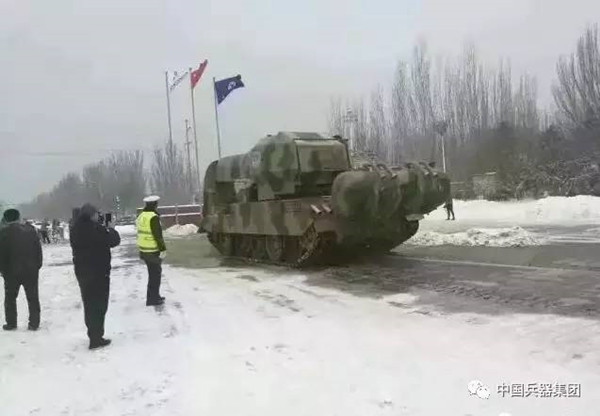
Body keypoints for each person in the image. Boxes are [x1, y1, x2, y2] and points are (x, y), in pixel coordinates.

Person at [70, 203, 121, 349]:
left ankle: (93, 334)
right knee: (99, 305)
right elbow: (113, 241)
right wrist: (111, 228)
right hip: (98, 271)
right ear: (92, 215)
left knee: (89, 303)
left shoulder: (75, 229)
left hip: (82, 271)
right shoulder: (96, 229)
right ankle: (96, 337)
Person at [0, 209, 43, 331]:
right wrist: (37, 265)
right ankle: (34, 323)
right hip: (31, 269)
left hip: (11, 271)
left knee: (10, 298)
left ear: (6, 219)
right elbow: (38, 249)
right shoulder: (31, 230)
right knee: (33, 297)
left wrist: (2, 270)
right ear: (18, 217)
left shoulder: (3, 233)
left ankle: (11, 323)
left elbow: (1, 254)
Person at [136, 195, 167, 306]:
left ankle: (154, 296)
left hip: (144, 250)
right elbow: (157, 235)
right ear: (155, 205)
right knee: (155, 276)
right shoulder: (153, 217)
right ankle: (152, 299)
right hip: (152, 251)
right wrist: (162, 249)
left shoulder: (141, 216)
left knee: (153, 274)